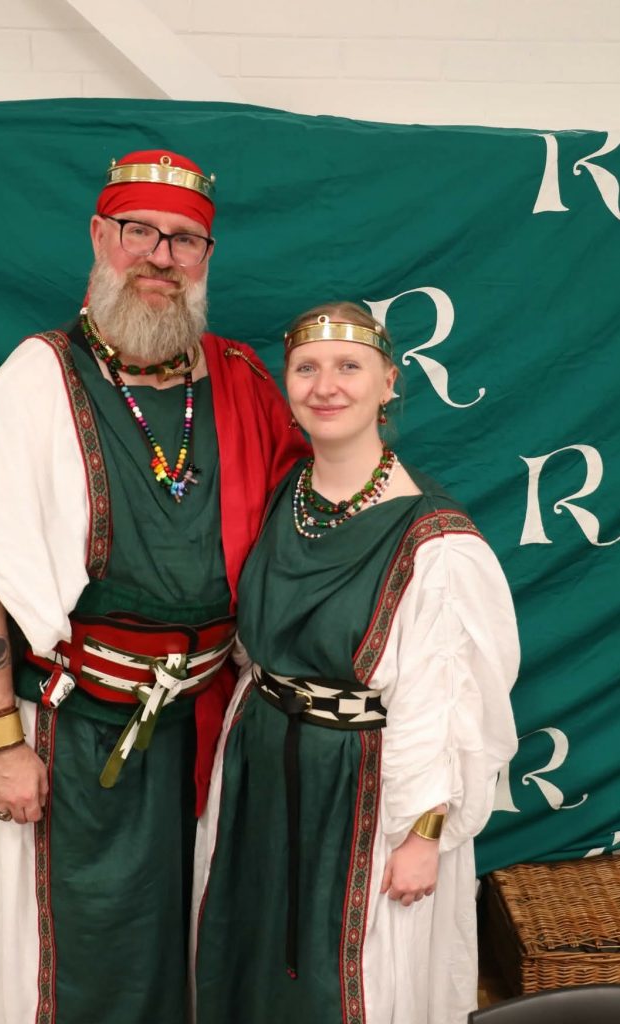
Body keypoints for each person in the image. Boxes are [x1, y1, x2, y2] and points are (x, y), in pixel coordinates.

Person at [0, 149, 308, 1024]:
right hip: (79, 725)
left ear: (207, 258)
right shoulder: (33, 382)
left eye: (185, 241)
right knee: (88, 955)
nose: (161, 258)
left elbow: (310, 524)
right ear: (101, 236)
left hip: (213, 718)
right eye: (140, 232)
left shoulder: (241, 381)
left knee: (206, 938)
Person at [192, 301, 519, 1024]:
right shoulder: (283, 495)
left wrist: (421, 837)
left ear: (388, 383)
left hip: (367, 790)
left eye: (348, 367)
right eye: (306, 369)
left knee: (355, 978)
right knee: (246, 959)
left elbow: (445, 706)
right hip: (259, 769)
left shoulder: (433, 540)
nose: (325, 386)